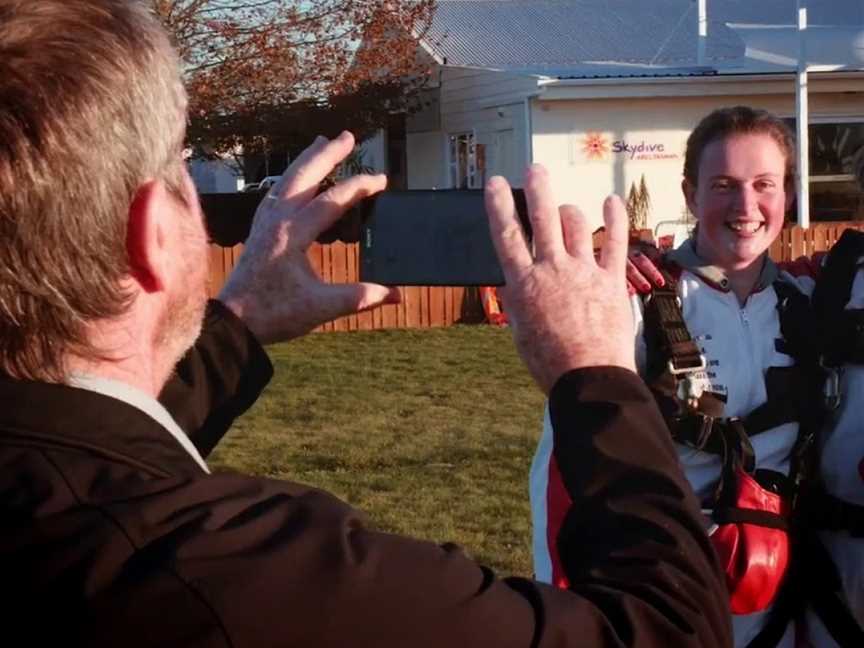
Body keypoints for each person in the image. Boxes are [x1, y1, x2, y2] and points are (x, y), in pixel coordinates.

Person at [0, 1, 732, 646]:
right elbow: (673, 630)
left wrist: (239, 321)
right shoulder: (240, 577)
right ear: (155, 234)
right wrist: (595, 372)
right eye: (183, 172)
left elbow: (78, 448)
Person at [531, 107, 821, 648]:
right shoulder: (630, 304)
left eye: (764, 185)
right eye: (723, 186)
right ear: (689, 195)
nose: (746, 206)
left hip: (782, 593)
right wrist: (566, 604)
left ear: (787, 194)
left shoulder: (808, 299)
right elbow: (564, 469)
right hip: (662, 587)